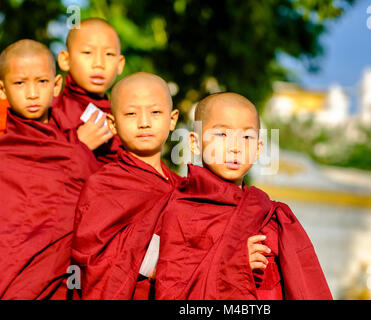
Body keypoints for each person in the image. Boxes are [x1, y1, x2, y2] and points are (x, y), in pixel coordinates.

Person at [155, 92, 332, 300]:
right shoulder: (179, 211)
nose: (235, 147)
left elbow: (304, 290)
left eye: (247, 137)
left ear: (258, 149)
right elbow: (170, 294)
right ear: (194, 143)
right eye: (221, 135)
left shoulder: (274, 217)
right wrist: (233, 264)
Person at [0, 39, 99, 299]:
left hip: (55, 283)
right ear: (2, 90)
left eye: (41, 82)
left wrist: (78, 148)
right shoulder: (4, 153)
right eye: (20, 83)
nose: (32, 93)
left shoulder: (77, 150)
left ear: (56, 85)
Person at [71, 72, 181, 299]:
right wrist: (158, 261)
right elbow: (94, 259)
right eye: (131, 113)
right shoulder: (104, 184)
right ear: (113, 123)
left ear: (172, 120)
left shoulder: (184, 188)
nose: (144, 122)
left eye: (155, 112)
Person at [53, 17, 125, 164]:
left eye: (109, 54)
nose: (99, 63)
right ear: (65, 60)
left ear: (120, 64)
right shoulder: (51, 111)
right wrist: (77, 146)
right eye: (87, 52)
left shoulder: (124, 116)